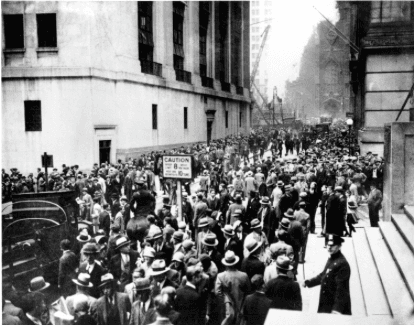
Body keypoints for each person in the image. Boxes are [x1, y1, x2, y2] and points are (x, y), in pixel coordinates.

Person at [303, 234, 351, 315]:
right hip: (326, 304)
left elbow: (341, 289)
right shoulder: (332, 259)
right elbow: (323, 275)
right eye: (328, 245)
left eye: (332, 245)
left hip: (334, 308)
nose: (329, 247)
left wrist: (337, 309)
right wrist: (308, 282)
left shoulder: (342, 264)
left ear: (339, 246)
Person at [215, 251, 251, 324]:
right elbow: (249, 291)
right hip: (241, 306)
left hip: (227, 307)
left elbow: (217, 292)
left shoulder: (220, 276)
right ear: (235, 263)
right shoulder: (244, 276)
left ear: (225, 264)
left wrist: (224, 301)